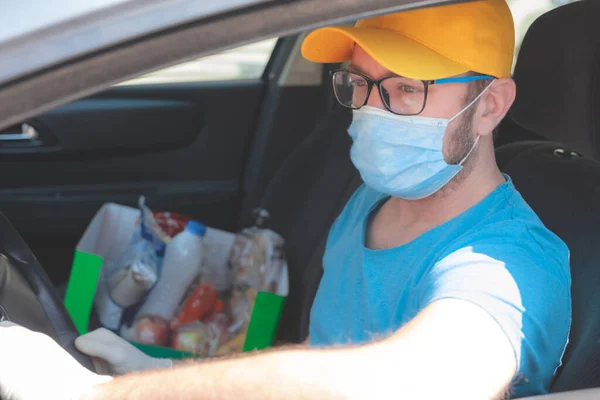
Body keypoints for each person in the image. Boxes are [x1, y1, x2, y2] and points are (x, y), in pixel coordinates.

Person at [0, 1, 571, 399]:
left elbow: (415, 382)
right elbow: (325, 362)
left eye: (407, 89)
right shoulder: (371, 202)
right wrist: (162, 373)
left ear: (491, 105)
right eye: (360, 85)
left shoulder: (511, 262)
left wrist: (108, 396)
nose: (372, 111)